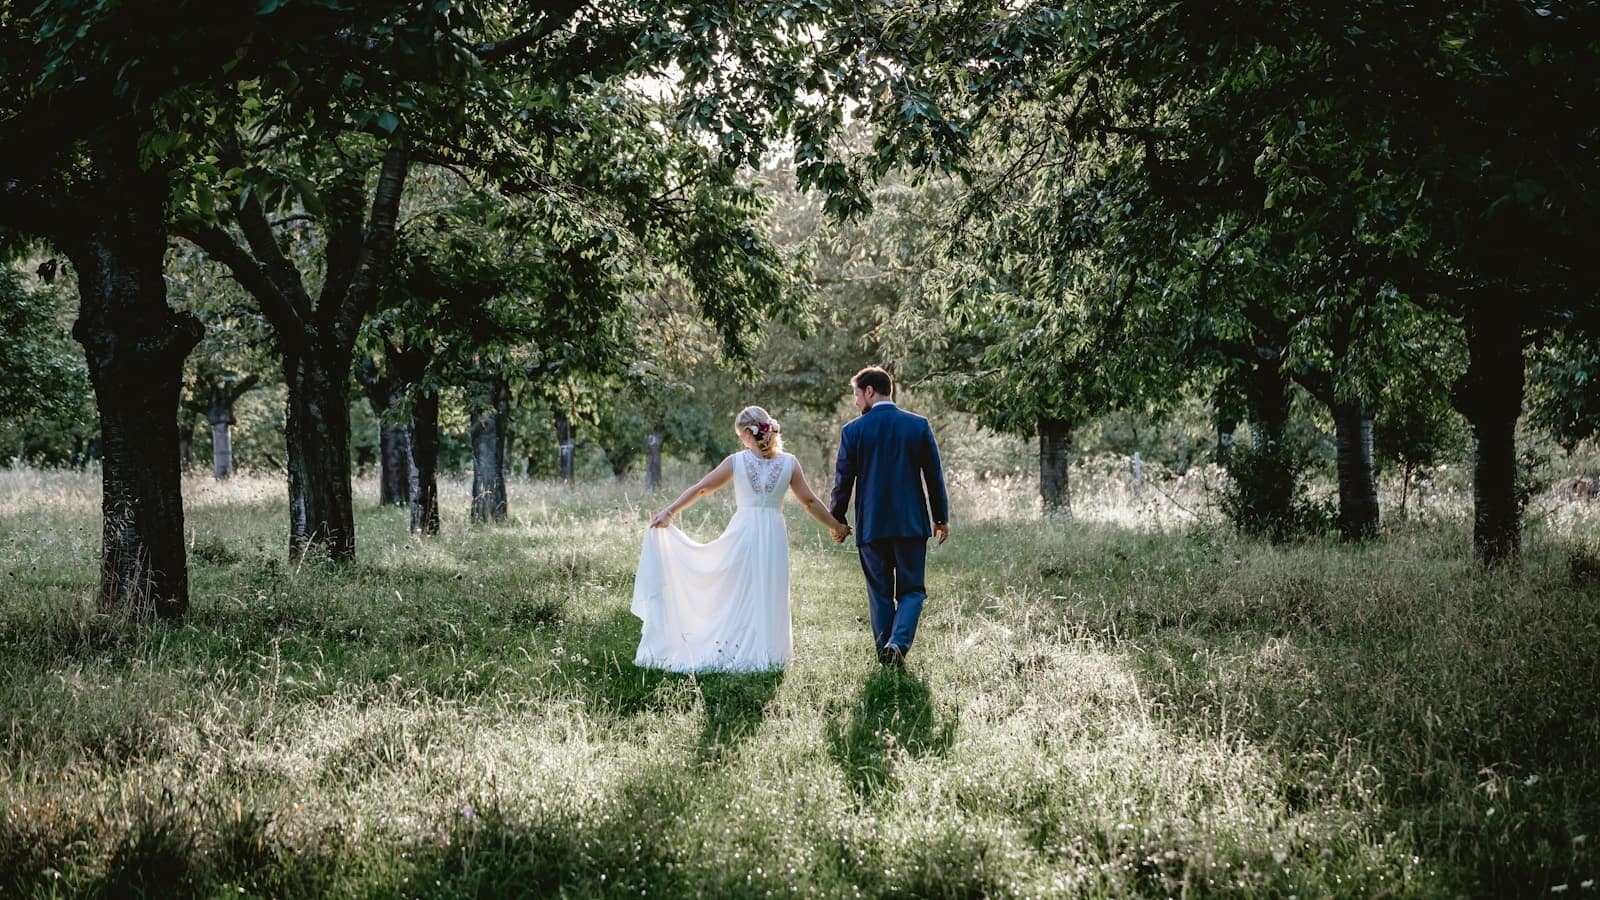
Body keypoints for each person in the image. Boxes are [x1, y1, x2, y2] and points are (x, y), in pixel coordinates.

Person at [631, 406, 851, 672]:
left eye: (740, 435)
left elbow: (702, 488)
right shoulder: (789, 463)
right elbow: (809, 502)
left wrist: (670, 511)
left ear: (748, 433)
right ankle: (768, 654)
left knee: (738, 590)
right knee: (769, 589)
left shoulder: (737, 461)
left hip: (744, 531)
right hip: (773, 533)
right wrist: (836, 525)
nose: (741, 441)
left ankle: (737, 648)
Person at [829, 366, 949, 669]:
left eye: (857, 395)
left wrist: (837, 521)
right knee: (912, 590)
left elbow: (843, 481)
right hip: (910, 525)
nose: (856, 403)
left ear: (870, 391)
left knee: (880, 593)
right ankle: (898, 644)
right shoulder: (917, 426)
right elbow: (934, 476)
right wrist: (940, 517)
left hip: (872, 526)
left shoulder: (853, 431)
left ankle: (886, 654)